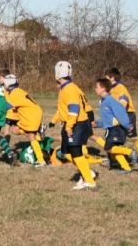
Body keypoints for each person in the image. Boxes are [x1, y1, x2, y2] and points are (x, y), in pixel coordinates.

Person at [51, 61, 97, 190]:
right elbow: (64, 109)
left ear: (58, 74)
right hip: (74, 123)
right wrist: (55, 120)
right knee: (66, 152)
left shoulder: (69, 89)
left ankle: (89, 181)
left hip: (76, 124)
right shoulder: (67, 87)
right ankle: (88, 172)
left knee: (76, 153)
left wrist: (69, 127)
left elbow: (74, 109)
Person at [105, 68, 138, 168]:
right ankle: (112, 160)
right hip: (116, 117)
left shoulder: (121, 88)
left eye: (106, 77)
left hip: (127, 116)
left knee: (133, 137)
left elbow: (123, 103)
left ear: (112, 78)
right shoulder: (110, 90)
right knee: (111, 138)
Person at [2, 74, 48, 168]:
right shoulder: (17, 91)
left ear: (9, 85)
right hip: (34, 113)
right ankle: (40, 131)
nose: (4, 85)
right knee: (15, 130)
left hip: (31, 115)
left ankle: (41, 160)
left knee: (31, 137)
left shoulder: (15, 94)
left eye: (5, 84)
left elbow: (6, 106)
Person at [93, 78, 134, 174]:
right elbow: (107, 119)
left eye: (97, 87)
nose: (95, 89)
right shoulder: (103, 101)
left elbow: (121, 112)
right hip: (111, 129)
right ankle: (127, 168)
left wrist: (127, 125)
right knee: (114, 151)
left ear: (103, 88)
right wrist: (97, 123)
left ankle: (130, 152)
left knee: (108, 148)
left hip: (115, 129)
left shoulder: (110, 100)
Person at [0, 69, 19, 144]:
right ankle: (6, 148)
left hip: (11, 113)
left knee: (9, 131)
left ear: (5, 78)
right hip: (13, 113)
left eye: (0, 78)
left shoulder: (5, 88)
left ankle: (6, 148)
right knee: (10, 130)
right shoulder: (12, 86)